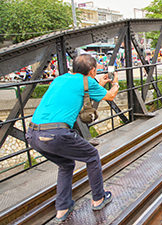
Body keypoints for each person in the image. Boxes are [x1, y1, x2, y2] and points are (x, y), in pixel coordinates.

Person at [26, 54, 119, 222]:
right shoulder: (88, 82)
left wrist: (98, 82)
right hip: (57, 134)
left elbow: (77, 87)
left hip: (32, 134)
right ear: (92, 70)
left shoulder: (59, 79)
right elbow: (110, 96)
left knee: (66, 163)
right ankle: (98, 198)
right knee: (91, 156)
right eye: (95, 70)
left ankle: (63, 208)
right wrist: (116, 83)